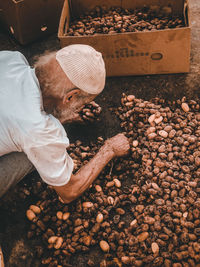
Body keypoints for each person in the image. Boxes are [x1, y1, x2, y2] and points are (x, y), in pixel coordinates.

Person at [0, 44, 130, 204]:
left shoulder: (11, 59)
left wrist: (62, 115)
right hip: (37, 132)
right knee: (31, 156)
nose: (82, 108)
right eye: (82, 103)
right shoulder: (39, 130)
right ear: (70, 97)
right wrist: (109, 149)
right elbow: (69, 192)